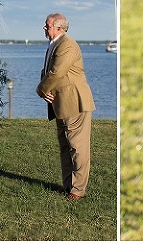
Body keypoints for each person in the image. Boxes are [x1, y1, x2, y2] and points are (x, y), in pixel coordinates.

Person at [36, 13, 96, 201]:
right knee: (65, 145)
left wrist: (41, 90)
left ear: (59, 28)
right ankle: (68, 185)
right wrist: (46, 91)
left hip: (75, 102)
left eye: (47, 26)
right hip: (61, 103)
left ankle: (77, 190)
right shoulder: (55, 44)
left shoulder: (67, 45)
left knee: (78, 147)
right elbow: (48, 71)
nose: (44, 28)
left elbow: (56, 73)